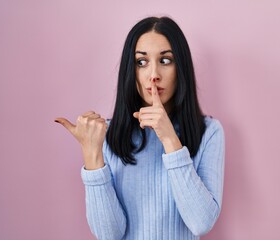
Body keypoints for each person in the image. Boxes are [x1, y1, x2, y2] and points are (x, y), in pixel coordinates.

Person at [55, 16, 225, 240]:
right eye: (141, 62)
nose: (153, 74)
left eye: (165, 60)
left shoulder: (209, 132)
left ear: (180, 67)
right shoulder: (106, 134)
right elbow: (108, 234)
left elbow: (201, 223)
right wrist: (92, 155)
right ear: (131, 70)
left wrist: (170, 140)